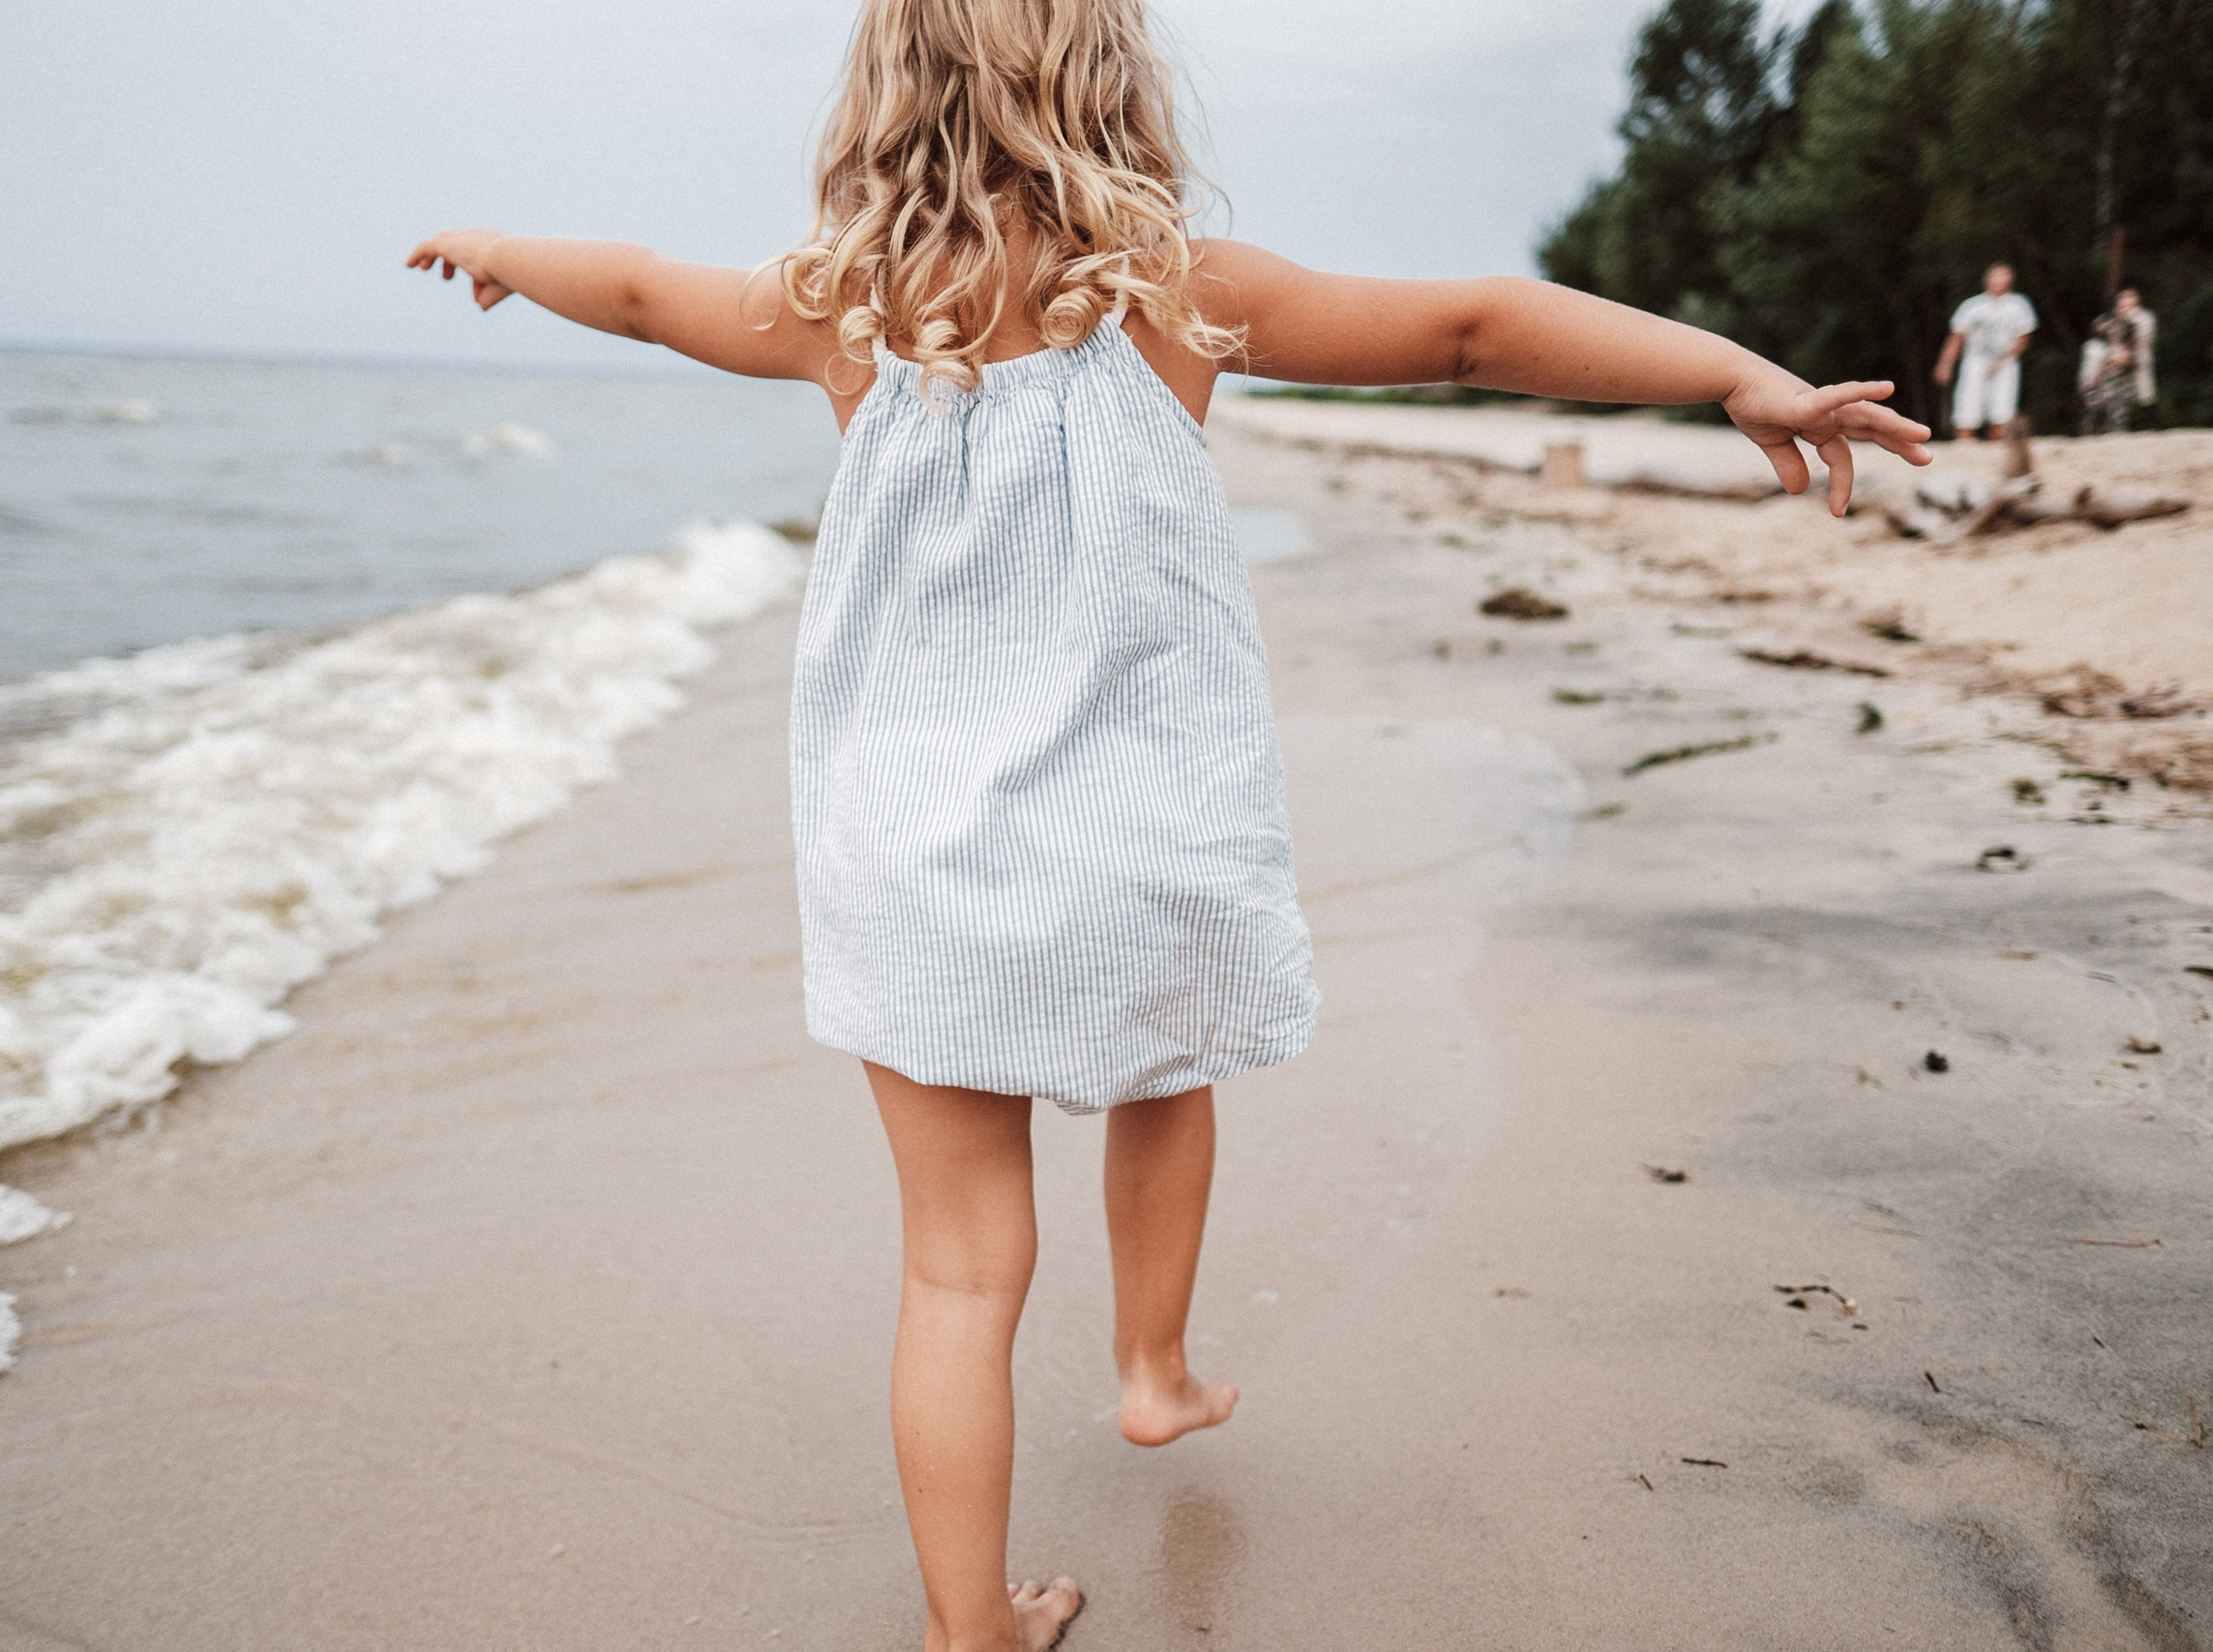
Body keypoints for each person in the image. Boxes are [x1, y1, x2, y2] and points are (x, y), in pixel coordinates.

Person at [407, 2, 1930, 1646]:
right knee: (1165, 1062)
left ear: (886, 95)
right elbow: (1478, 327)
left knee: (959, 1274)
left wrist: (507, 245)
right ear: (1110, 84)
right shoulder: (1178, 297)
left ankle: (972, 1629)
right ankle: (1153, 1367)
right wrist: (1735, 373)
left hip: (913, 857)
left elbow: (638, 291)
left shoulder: (838, 304)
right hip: (1136, 838)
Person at [1933, 262, 2039, 441]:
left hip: (2005, 362)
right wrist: (1945, 364)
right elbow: (1956, 338)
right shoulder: (1972, 306)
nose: (1998, 280)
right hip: (1974, 361)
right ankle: (1964, 446)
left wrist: (2003, 359)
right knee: (1967, 407)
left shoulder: (2019, 306)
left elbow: (2024, 338)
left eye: (2003, 276)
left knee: (2002, 409)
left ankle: (1995, 448)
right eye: (1995, 276)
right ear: (1986, 280)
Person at [2080, 286, 2158, 435]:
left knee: (2118, 419)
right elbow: (2096, 340)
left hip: (2124, 380)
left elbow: (2133, 355)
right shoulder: (2108, 322)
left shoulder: (2140, 322)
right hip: (2104, 379)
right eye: (2121, 304)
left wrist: (2114, 357)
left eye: (2128, 305)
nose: (2123, 308)